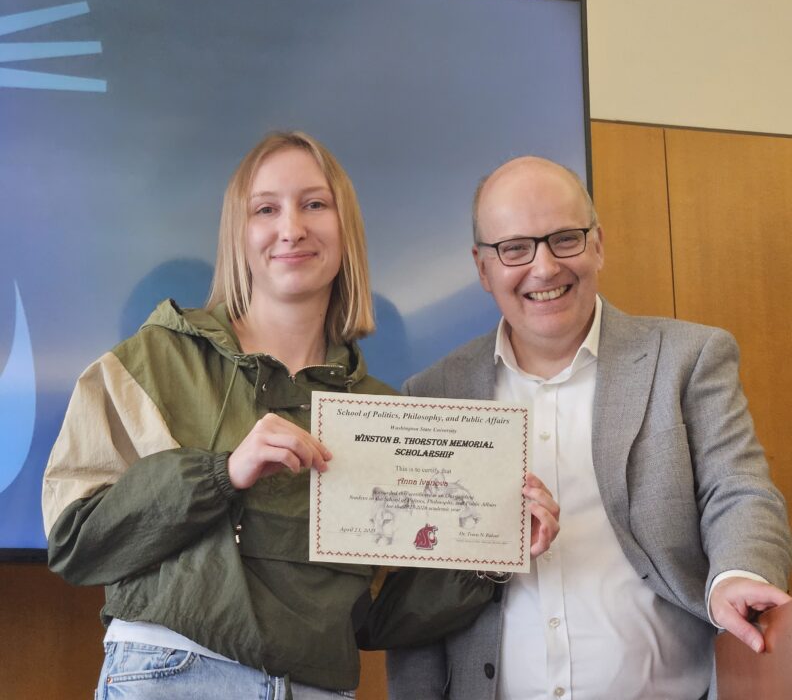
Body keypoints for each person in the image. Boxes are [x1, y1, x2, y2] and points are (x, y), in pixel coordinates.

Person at [41, 131, 513, 700]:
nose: (292, 228)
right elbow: (74, 542)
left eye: (315, 204)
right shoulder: (151, 363)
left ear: (346, 231)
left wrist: (492, 551)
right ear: (239, 235)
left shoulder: (383, 411)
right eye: (266, 208)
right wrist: (221, 473)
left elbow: (368, 623)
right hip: (174, 673)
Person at [387, 155, 792, 700]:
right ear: (483, 269)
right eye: (514, 248)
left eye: (565, 238)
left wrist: (736, 576)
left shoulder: (687, 359)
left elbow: (739, 491)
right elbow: (418, 595)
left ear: (598, 243)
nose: (544, 267)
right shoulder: (432, 395)